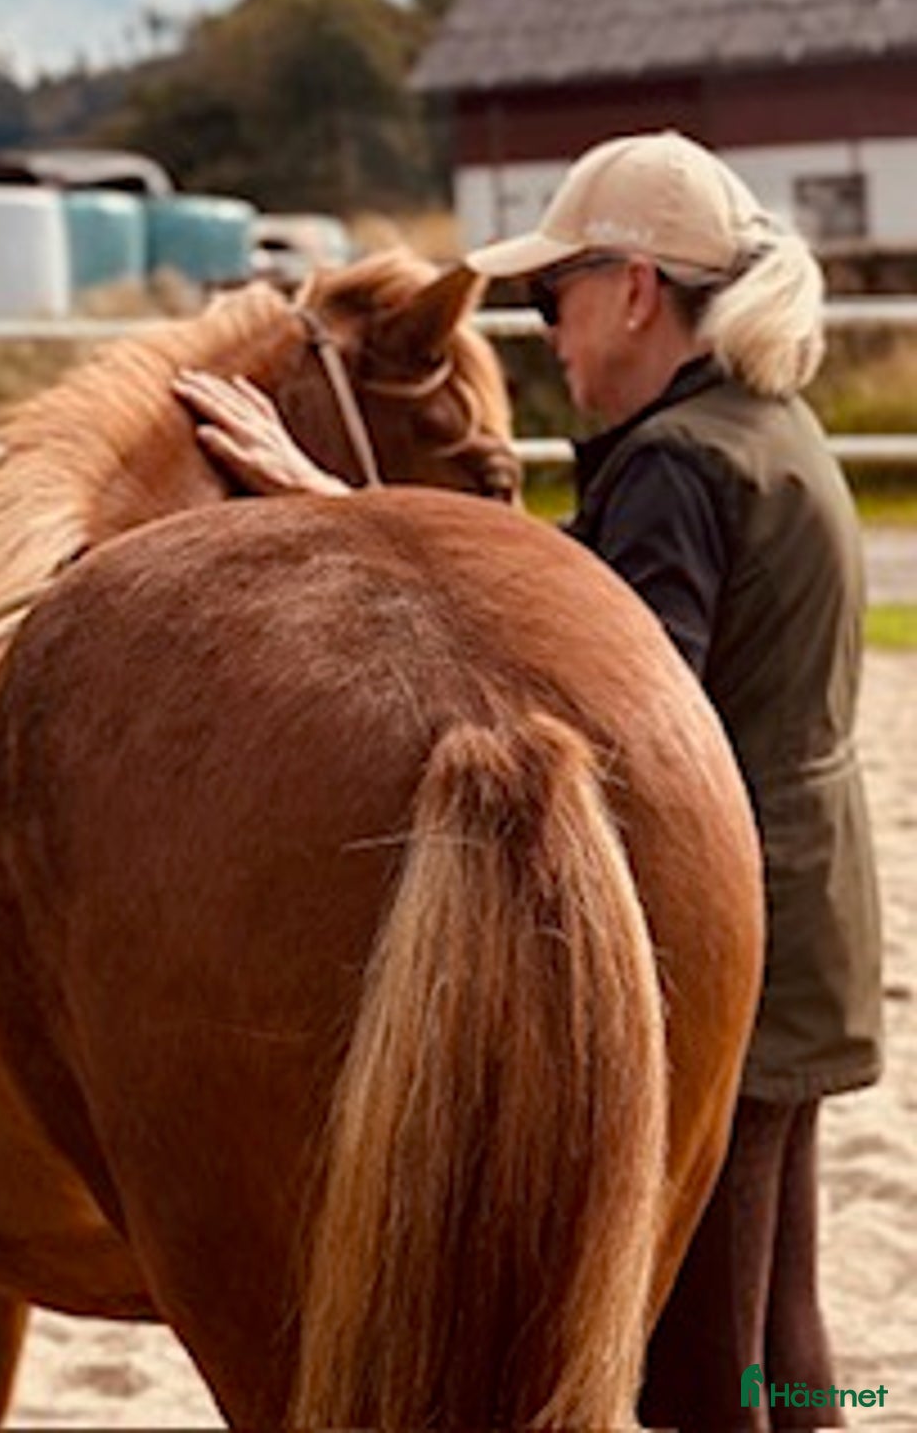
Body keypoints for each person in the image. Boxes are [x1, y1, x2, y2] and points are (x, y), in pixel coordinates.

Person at [172, 129, 883, 1428]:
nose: (544, 332)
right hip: (811, 929)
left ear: (634, 288)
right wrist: (345, 499)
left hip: (739, 945)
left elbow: (614, 693)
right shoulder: (772, 430)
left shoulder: (679, 465)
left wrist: (338, 517)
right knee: (777, 1326)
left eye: (553, 296)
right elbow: (588, 607)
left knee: (714, 1368)